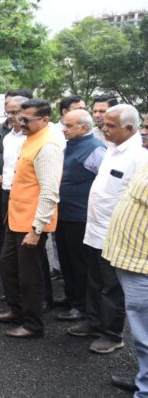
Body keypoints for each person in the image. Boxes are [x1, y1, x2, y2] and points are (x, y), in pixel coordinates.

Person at [69, 104, 148, 353]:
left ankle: (112, 334)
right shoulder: (111, 149)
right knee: (94, 279)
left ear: (129, 128)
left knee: (111, 286)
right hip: (95, 228)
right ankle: (93, 322)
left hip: (116, 235)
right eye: (104, 124)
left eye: (111, 125)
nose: (103, 128)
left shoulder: (138, 157)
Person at [0, 99, 63, 338]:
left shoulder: (48, 147)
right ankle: (17, 311)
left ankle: (33, 324)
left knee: (29, 275)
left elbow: (49, 192)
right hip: (16, 219)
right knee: (7, 265)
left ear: (45, 120)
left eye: (26, 120)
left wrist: (37, 229)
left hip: (32, 223)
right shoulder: (30, 140)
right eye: (19, 118)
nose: (20, 123)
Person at [54, 110, 106, 322]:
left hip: (80, 216)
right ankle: (71, 296)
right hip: (63, 213)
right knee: (65, 259)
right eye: (63, 125)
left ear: (84, 128)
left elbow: (103, 183)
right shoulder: (70, 145)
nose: (64, 129)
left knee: (80, 262)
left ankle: (82, 306)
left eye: (68, 126)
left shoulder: (95, 149)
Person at [102, 163, 148, 396]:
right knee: (142, 334)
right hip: (132, 262)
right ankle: (144, 380)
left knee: (145, 336)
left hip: (143, 266)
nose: (144, 132)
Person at [0, 94, 30, 280]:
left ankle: (17, 272)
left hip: (20, 192)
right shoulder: (0, 131)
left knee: (17, 232)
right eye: (7, 110)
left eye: (14, 111)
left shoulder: (31, 135)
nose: (10, 115)